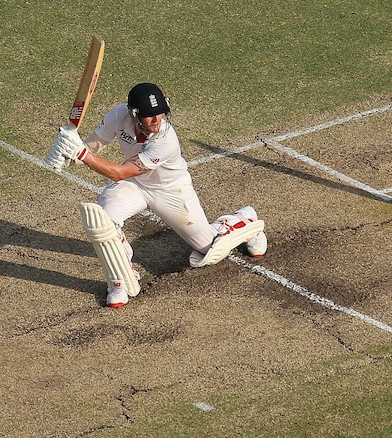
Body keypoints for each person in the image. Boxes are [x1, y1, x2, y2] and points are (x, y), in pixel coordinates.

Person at [46, 83, 267, 307]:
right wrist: (70, 147)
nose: (156, 120)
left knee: (209, 249)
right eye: (149, 116)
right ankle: (120, 280)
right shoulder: (117, 115)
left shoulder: (166, 140)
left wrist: (82, 154)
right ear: (134, 114)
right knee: (102, 221)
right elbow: (93, 146)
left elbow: (119, 173)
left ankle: (246, 221)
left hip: (170, 189)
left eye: (160, 113)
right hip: (134, 185)